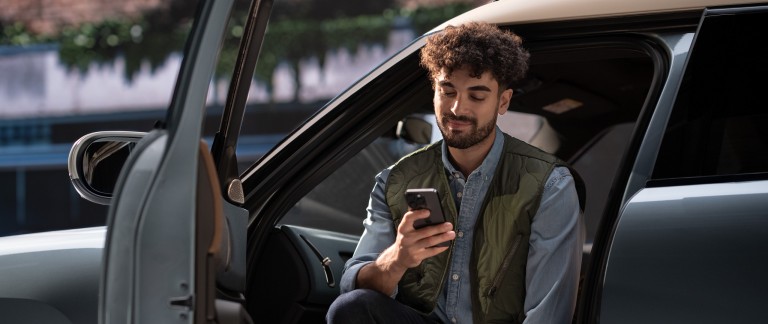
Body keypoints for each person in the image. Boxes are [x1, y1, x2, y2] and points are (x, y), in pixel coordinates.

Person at [326, 22, 585, 324]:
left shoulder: (550, 186)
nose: (457, 109)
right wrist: (397, 259)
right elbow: (352, 285)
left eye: (477, 96)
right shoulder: (395, 180)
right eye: (447, 91)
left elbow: (548, 316)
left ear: (503, 101)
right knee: (352, 307)